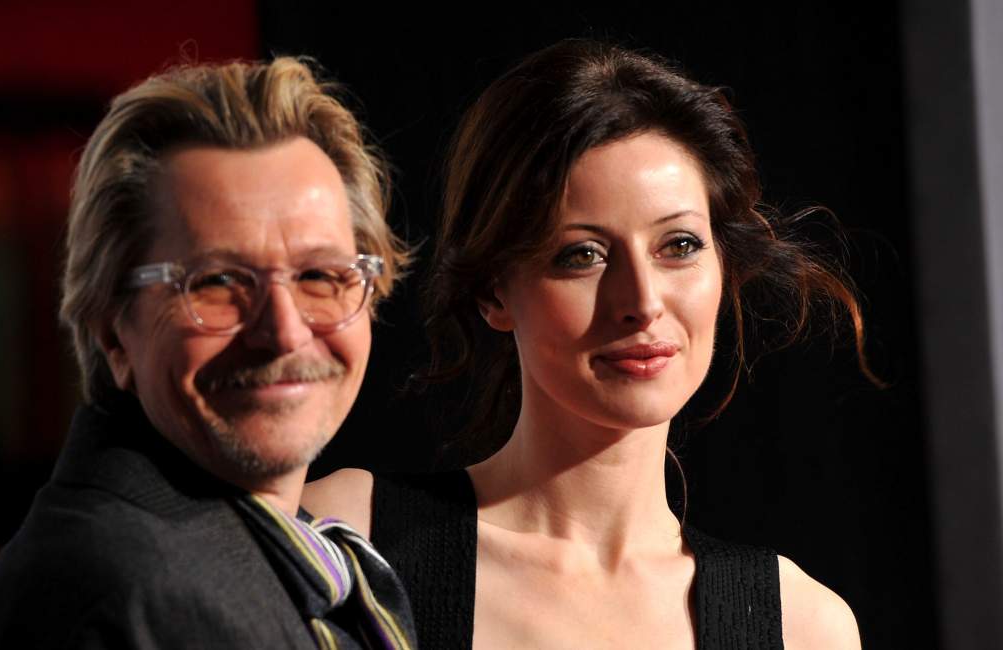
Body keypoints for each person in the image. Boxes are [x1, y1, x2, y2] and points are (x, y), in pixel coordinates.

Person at [304, 40, 866, 649]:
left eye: (678, 246)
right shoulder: (352, 542)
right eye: (583, 255)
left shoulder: (801, 626)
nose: (642, 301)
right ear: (493, 291)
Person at [0, 57, 416, 649]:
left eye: (320, 275)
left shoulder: (251, 563)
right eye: (217, 282)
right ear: (113, 330)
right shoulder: (144, 598)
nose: (284, 332)